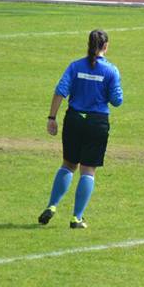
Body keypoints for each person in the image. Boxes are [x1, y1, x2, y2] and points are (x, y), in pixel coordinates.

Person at [37, 29, 123, 229]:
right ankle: (77, 218)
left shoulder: (75, 66)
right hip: (97, 122)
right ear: (105, 46)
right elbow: (117, 101)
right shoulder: (111, 70)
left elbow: (60, 91)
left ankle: (52, 205)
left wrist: (51, 118)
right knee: (88, 170)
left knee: (68, 164)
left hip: (74, 119)